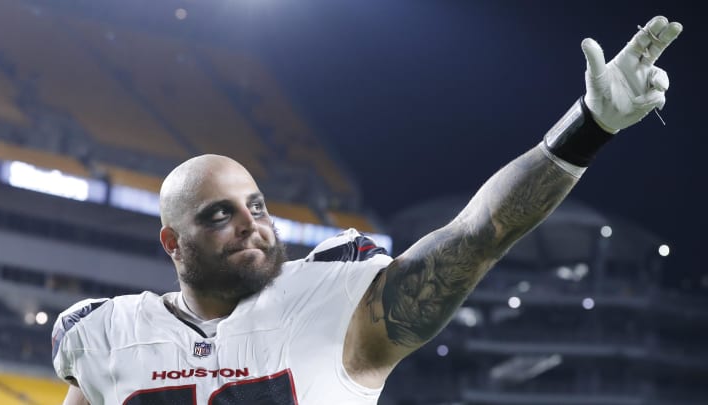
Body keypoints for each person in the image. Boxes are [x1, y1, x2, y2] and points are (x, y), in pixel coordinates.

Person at [52, 15, 682, 405]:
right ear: (172, 243)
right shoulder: (106, 334)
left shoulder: (336, 299)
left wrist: (587, 127)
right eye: (218, 215)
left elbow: (480, 232)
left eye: (258, 204)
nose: (252, 224)